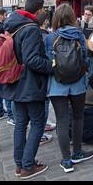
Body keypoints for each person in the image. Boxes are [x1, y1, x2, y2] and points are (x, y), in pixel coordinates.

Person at [0, 0, 54, 180]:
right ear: (38, 10)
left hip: (14, 82)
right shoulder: (31, 29)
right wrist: (51, 65)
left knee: (20, 124)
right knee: (37, 122)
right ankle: (28, 166)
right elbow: (32, 60)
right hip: (29, 83)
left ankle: (19, 164)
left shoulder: (11, 24)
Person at [44, 4, 93, 173]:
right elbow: (87, 57)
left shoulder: (50, 38)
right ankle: (77, 152)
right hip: (78, 83)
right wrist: (86, 75)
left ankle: (66, 161)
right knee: (78, 117)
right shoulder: (79, 35)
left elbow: (47, 62)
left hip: (57, 85)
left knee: (62, 121)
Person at [0, 7, 15, 124]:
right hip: (4, 60)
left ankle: (0, 111)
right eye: (5, 15)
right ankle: (11, 115)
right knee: (7, 89)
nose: (6, 17)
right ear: (1, 15)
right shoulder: (1, 28)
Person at [36, 12, 56, 146]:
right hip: (45, 74)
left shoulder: (36, 34)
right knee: (44, 103)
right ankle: (41, 132)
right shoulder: (46, 36)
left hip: (38, 75)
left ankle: (42, 127)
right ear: (45, 22)